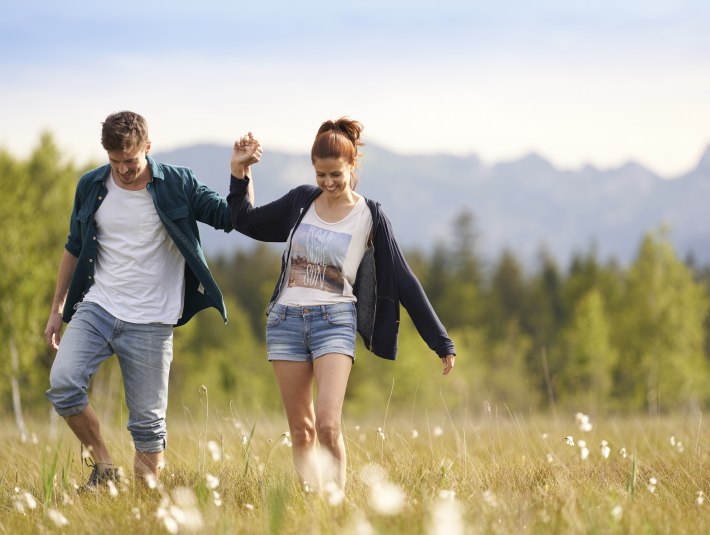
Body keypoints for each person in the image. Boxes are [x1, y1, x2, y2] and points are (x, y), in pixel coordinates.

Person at [228, 119, 456, 492]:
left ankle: (336, 503)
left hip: (334, 320)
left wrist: (440, 341)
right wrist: (241, 172)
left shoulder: (370, 215)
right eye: (321, 174)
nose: (328, 182)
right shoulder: (302, 201)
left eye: (336, 174)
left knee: (327, 426)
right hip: (285, 320)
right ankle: (313, 507)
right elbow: (246, 221)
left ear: (352, 167)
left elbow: (402, 278)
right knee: (301, 432)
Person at [44, 111, 234, 489]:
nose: (123, 170)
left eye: (130, 161)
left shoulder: (178, 183)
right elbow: (74, 246)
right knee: (64, 384)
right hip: (98, 306)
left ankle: (145, 506)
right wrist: (57, 309)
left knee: (147, 427)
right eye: (115, 162)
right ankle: (103, 466)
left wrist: (240, 173)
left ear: (148, 147)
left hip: (151, 320)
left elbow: (227, 217)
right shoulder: (91, 185)